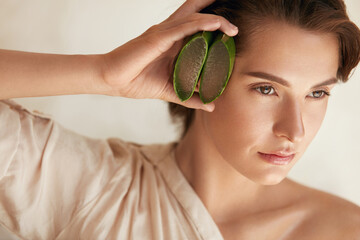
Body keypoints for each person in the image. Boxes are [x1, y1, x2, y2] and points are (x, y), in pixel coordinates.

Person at [1, 0, 360, 239]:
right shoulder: (91, 187)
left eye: (317, 93)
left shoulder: (345, 229)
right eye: (266, 89)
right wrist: (105, 73)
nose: (294, 130)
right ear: (204, 73)